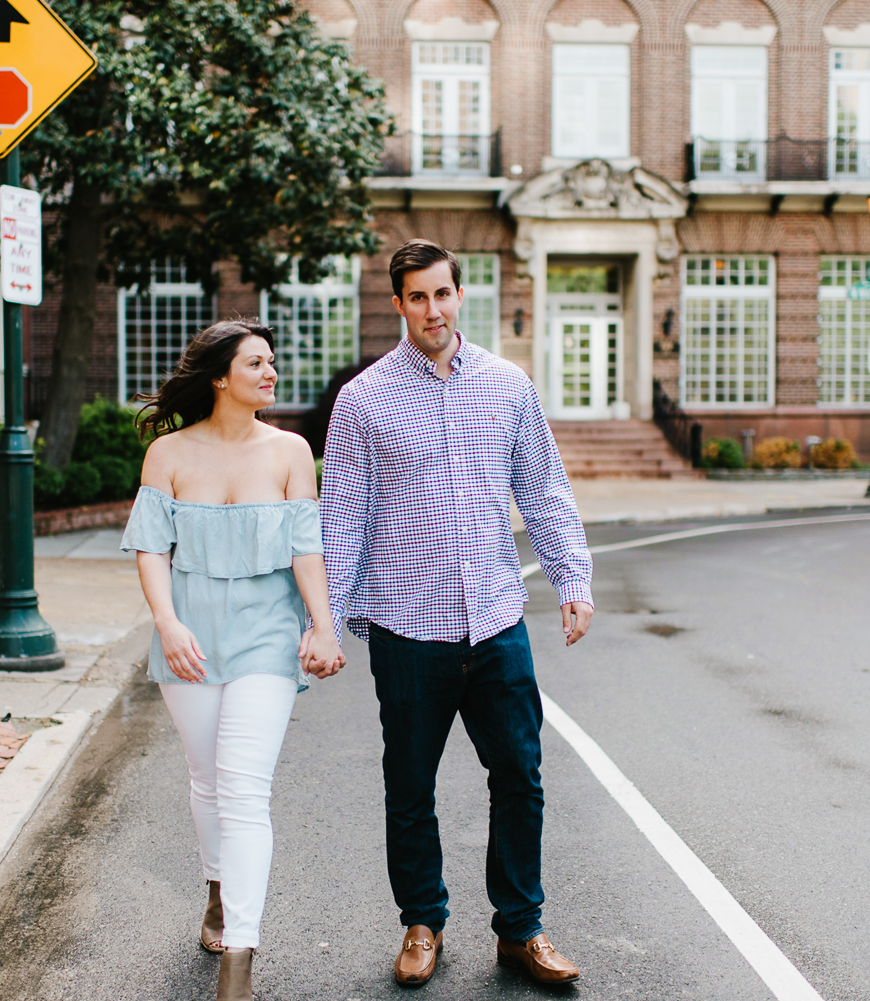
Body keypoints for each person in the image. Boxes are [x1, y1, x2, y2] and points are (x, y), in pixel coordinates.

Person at [316, 239, 594, 987]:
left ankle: (521, 928)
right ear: (398, 302)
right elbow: (342, 516)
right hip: (408, 626)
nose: (432, 310)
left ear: (458, 294)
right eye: (417, 297)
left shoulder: (507, 385)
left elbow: (543, 489)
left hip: (497, 620)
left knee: (521, 776)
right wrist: (325, 618)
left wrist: (572, 576)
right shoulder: (364, 400)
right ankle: (422, 922)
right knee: (409, 784)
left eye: (442, 294)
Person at [122, 318, 345, 1001]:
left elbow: (306, 548)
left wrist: (323, 625)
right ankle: (217, 887)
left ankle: (238, 962)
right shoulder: (168, 454)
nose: (270, 372)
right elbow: (151, 548)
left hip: (264, 636)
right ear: (220, 376)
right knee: (206, 777)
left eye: (272, 362)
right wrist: (167, 623)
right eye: (256, 362)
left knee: (244, 788)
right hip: (189, 634)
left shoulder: (290, 452)